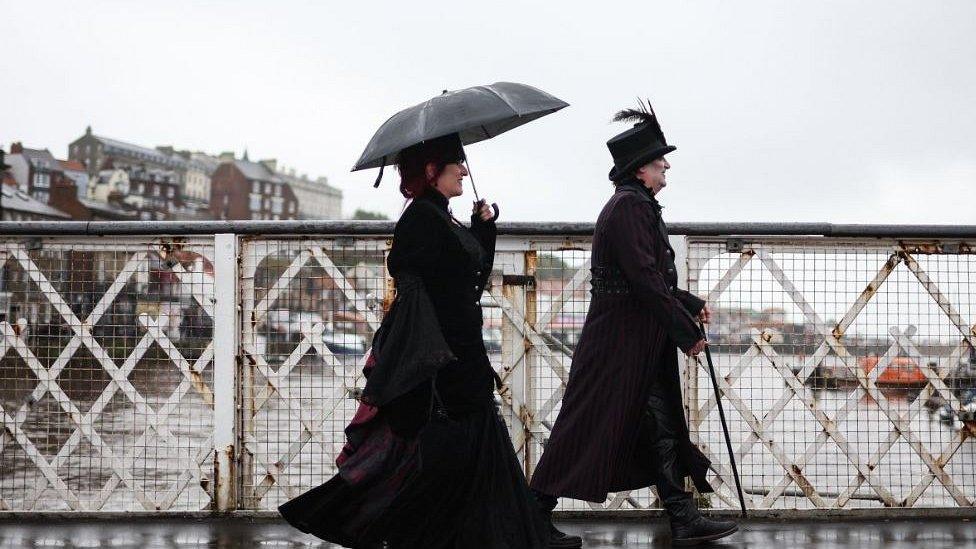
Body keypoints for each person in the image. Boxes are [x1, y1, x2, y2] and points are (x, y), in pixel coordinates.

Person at [279, 133, 549, 548]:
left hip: (453, 350)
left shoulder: (438, 215)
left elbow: (465, 281)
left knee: (464, 446)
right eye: (455, 163)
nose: (464, 170)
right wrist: (455, 358)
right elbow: (438, 289)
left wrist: (482, 229)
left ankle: (497, 531)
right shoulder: (423, 219)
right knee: (448, 449)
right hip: (444, 356)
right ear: (431, 171)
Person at [529, 101, 739, 546]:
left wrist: (687, 301)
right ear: (640, 168)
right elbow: (642, 279)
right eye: (660, 161)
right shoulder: (628, 208)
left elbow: (645, 276)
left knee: (661, 425)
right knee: (584, 425)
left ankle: (682, 516)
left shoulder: (636, 205)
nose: (666, 167)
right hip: (619, 342)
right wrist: (686, 334)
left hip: (634, 338)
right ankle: (531, 517)